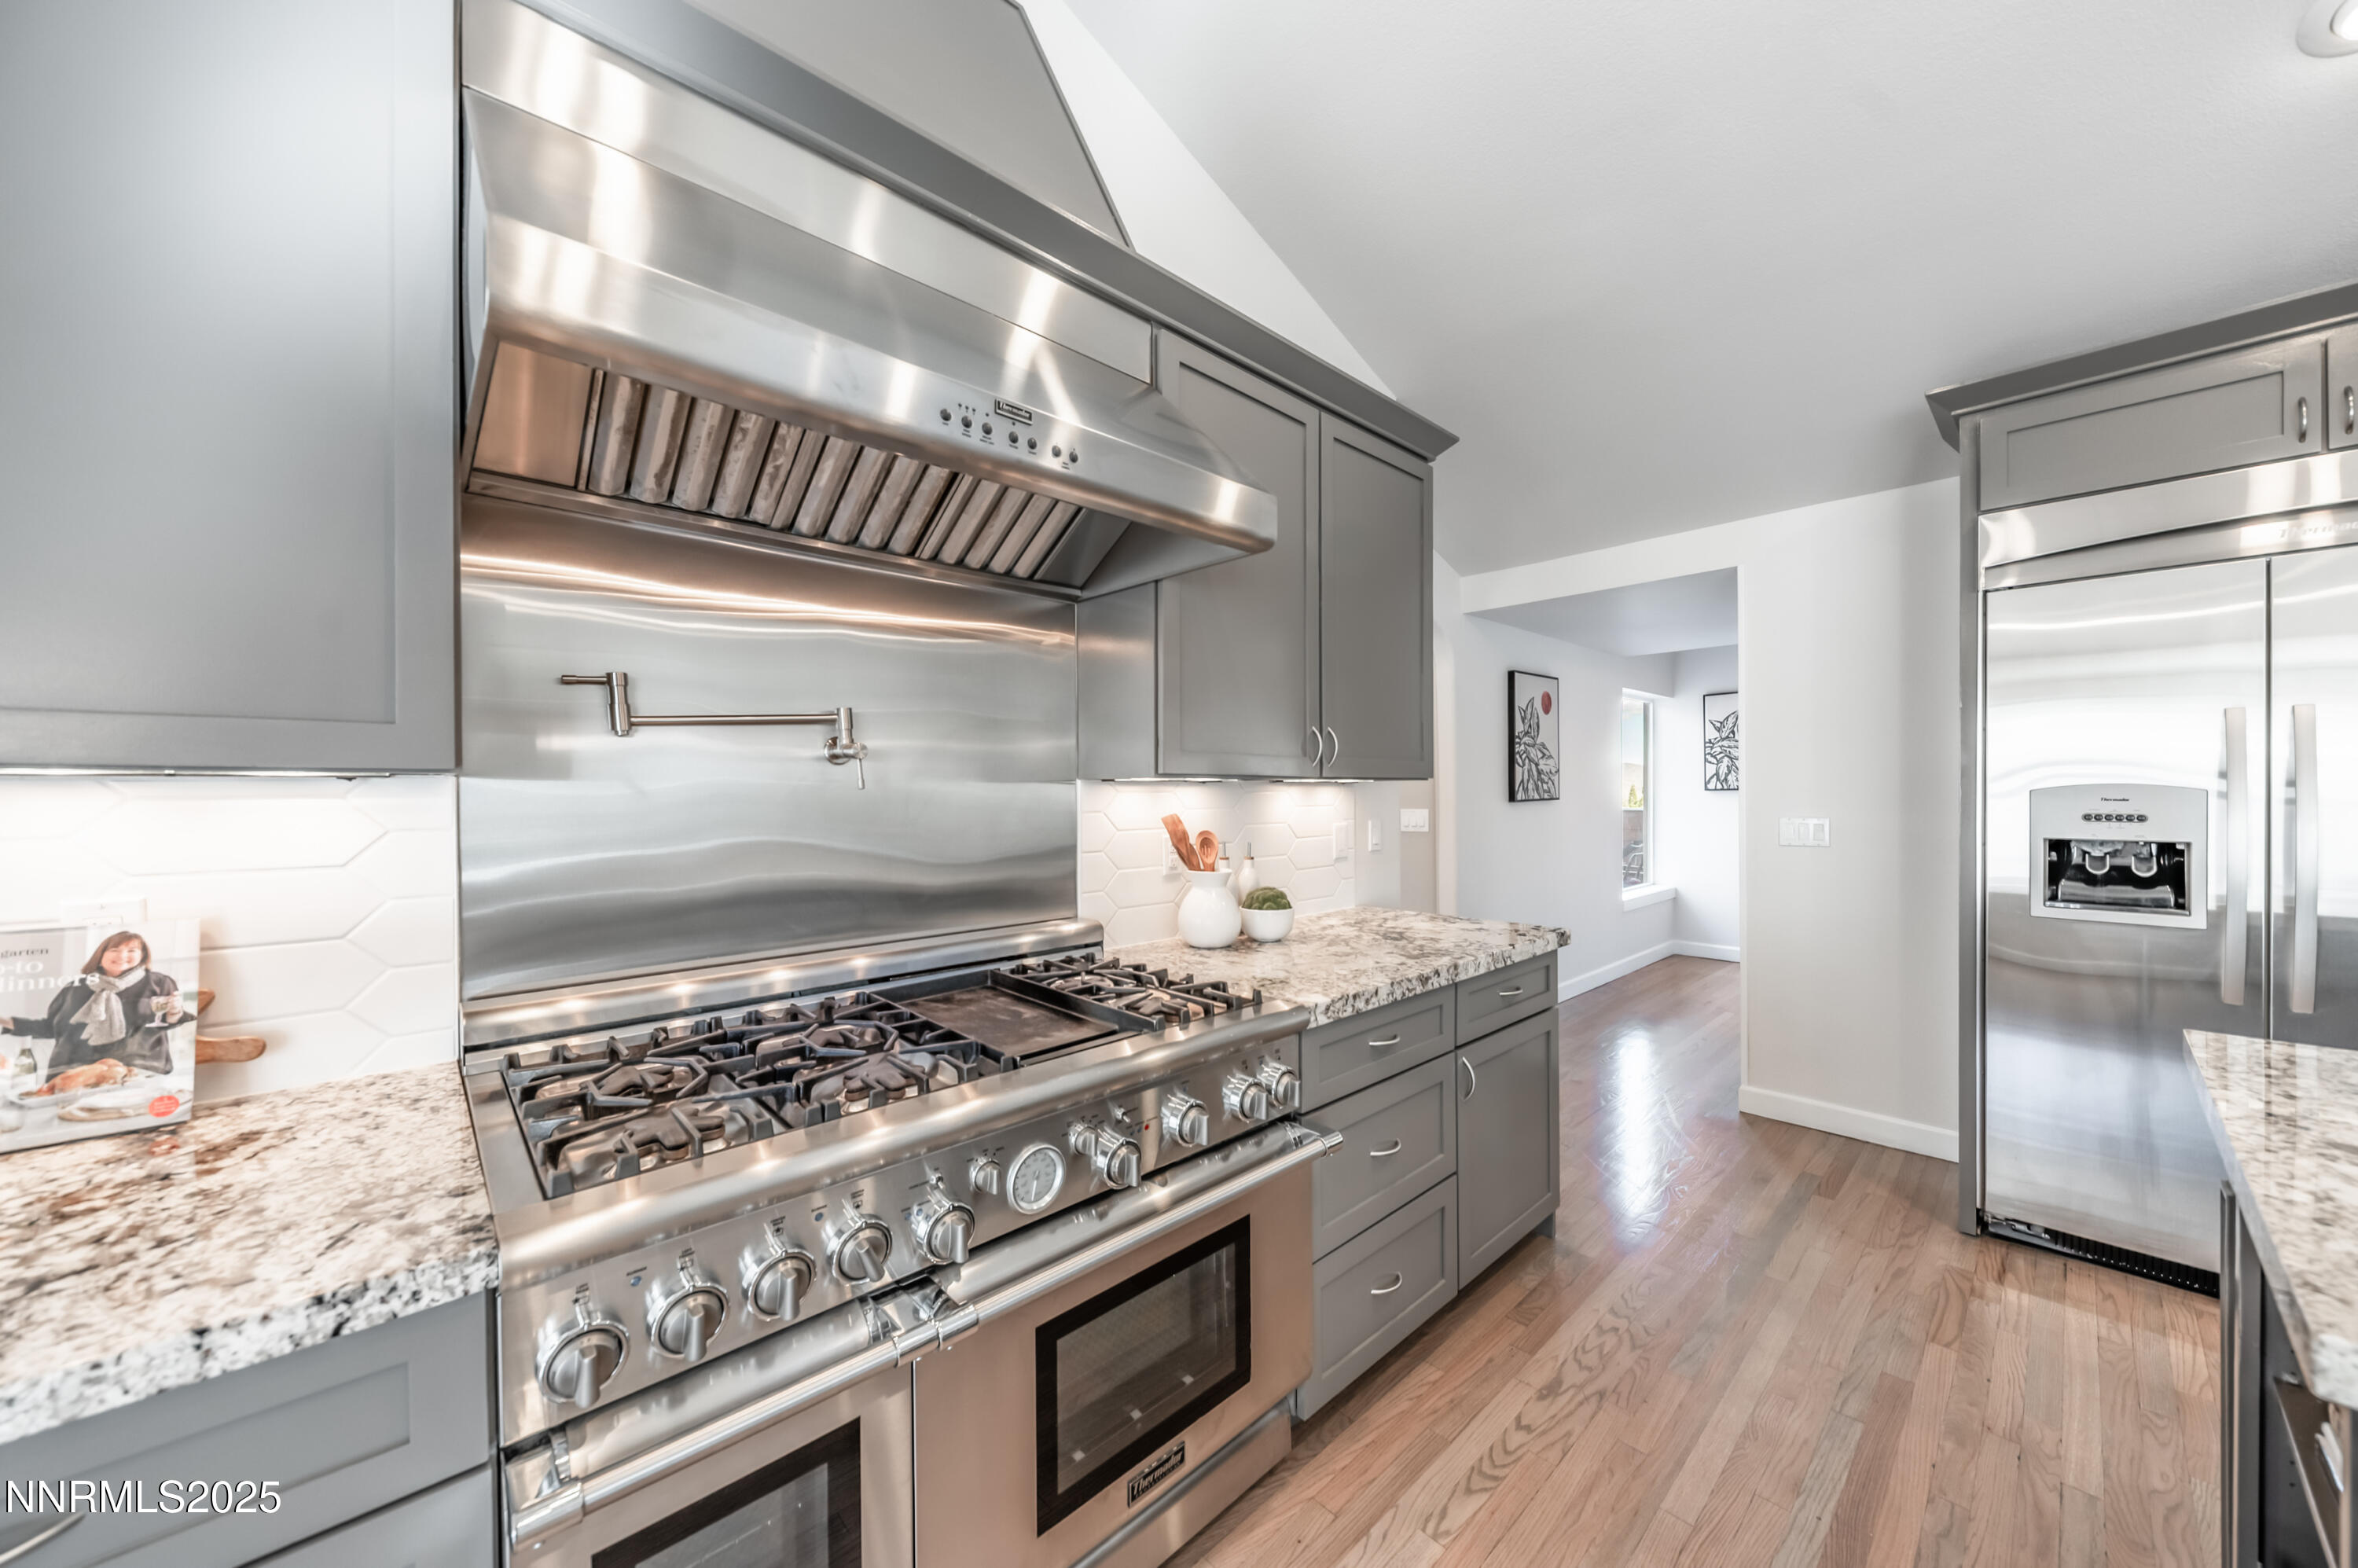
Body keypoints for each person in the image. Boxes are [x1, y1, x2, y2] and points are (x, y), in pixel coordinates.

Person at [0, 931, 184, 1085]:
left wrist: (174, 1013)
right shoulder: (75, 987)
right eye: (115, 949)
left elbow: (167, 1023)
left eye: (132, 950)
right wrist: (5, 1022)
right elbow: (52, 1028)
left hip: (136, 1076)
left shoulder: (159, 983)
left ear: (142, 955)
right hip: (74, 1076)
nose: (122, 956)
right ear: (101, 955)